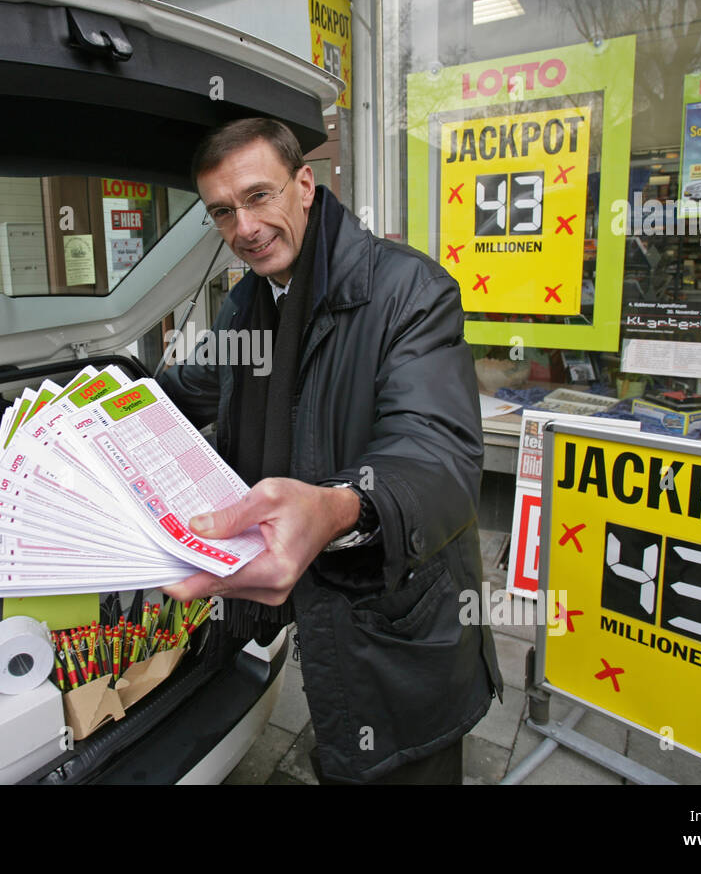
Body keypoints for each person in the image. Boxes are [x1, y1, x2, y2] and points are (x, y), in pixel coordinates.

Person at [159, 117, 502, 784]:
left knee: (399, 763)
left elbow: (438, 455)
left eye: (259, 196)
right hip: (310, 612)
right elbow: (192, 389)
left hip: (398, 615)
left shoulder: (407, 291)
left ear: (305, 185)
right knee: (342, 752)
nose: (244, 229)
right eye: (223, 212)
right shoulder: (246, 306)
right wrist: (90, 408)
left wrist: (343, 506)